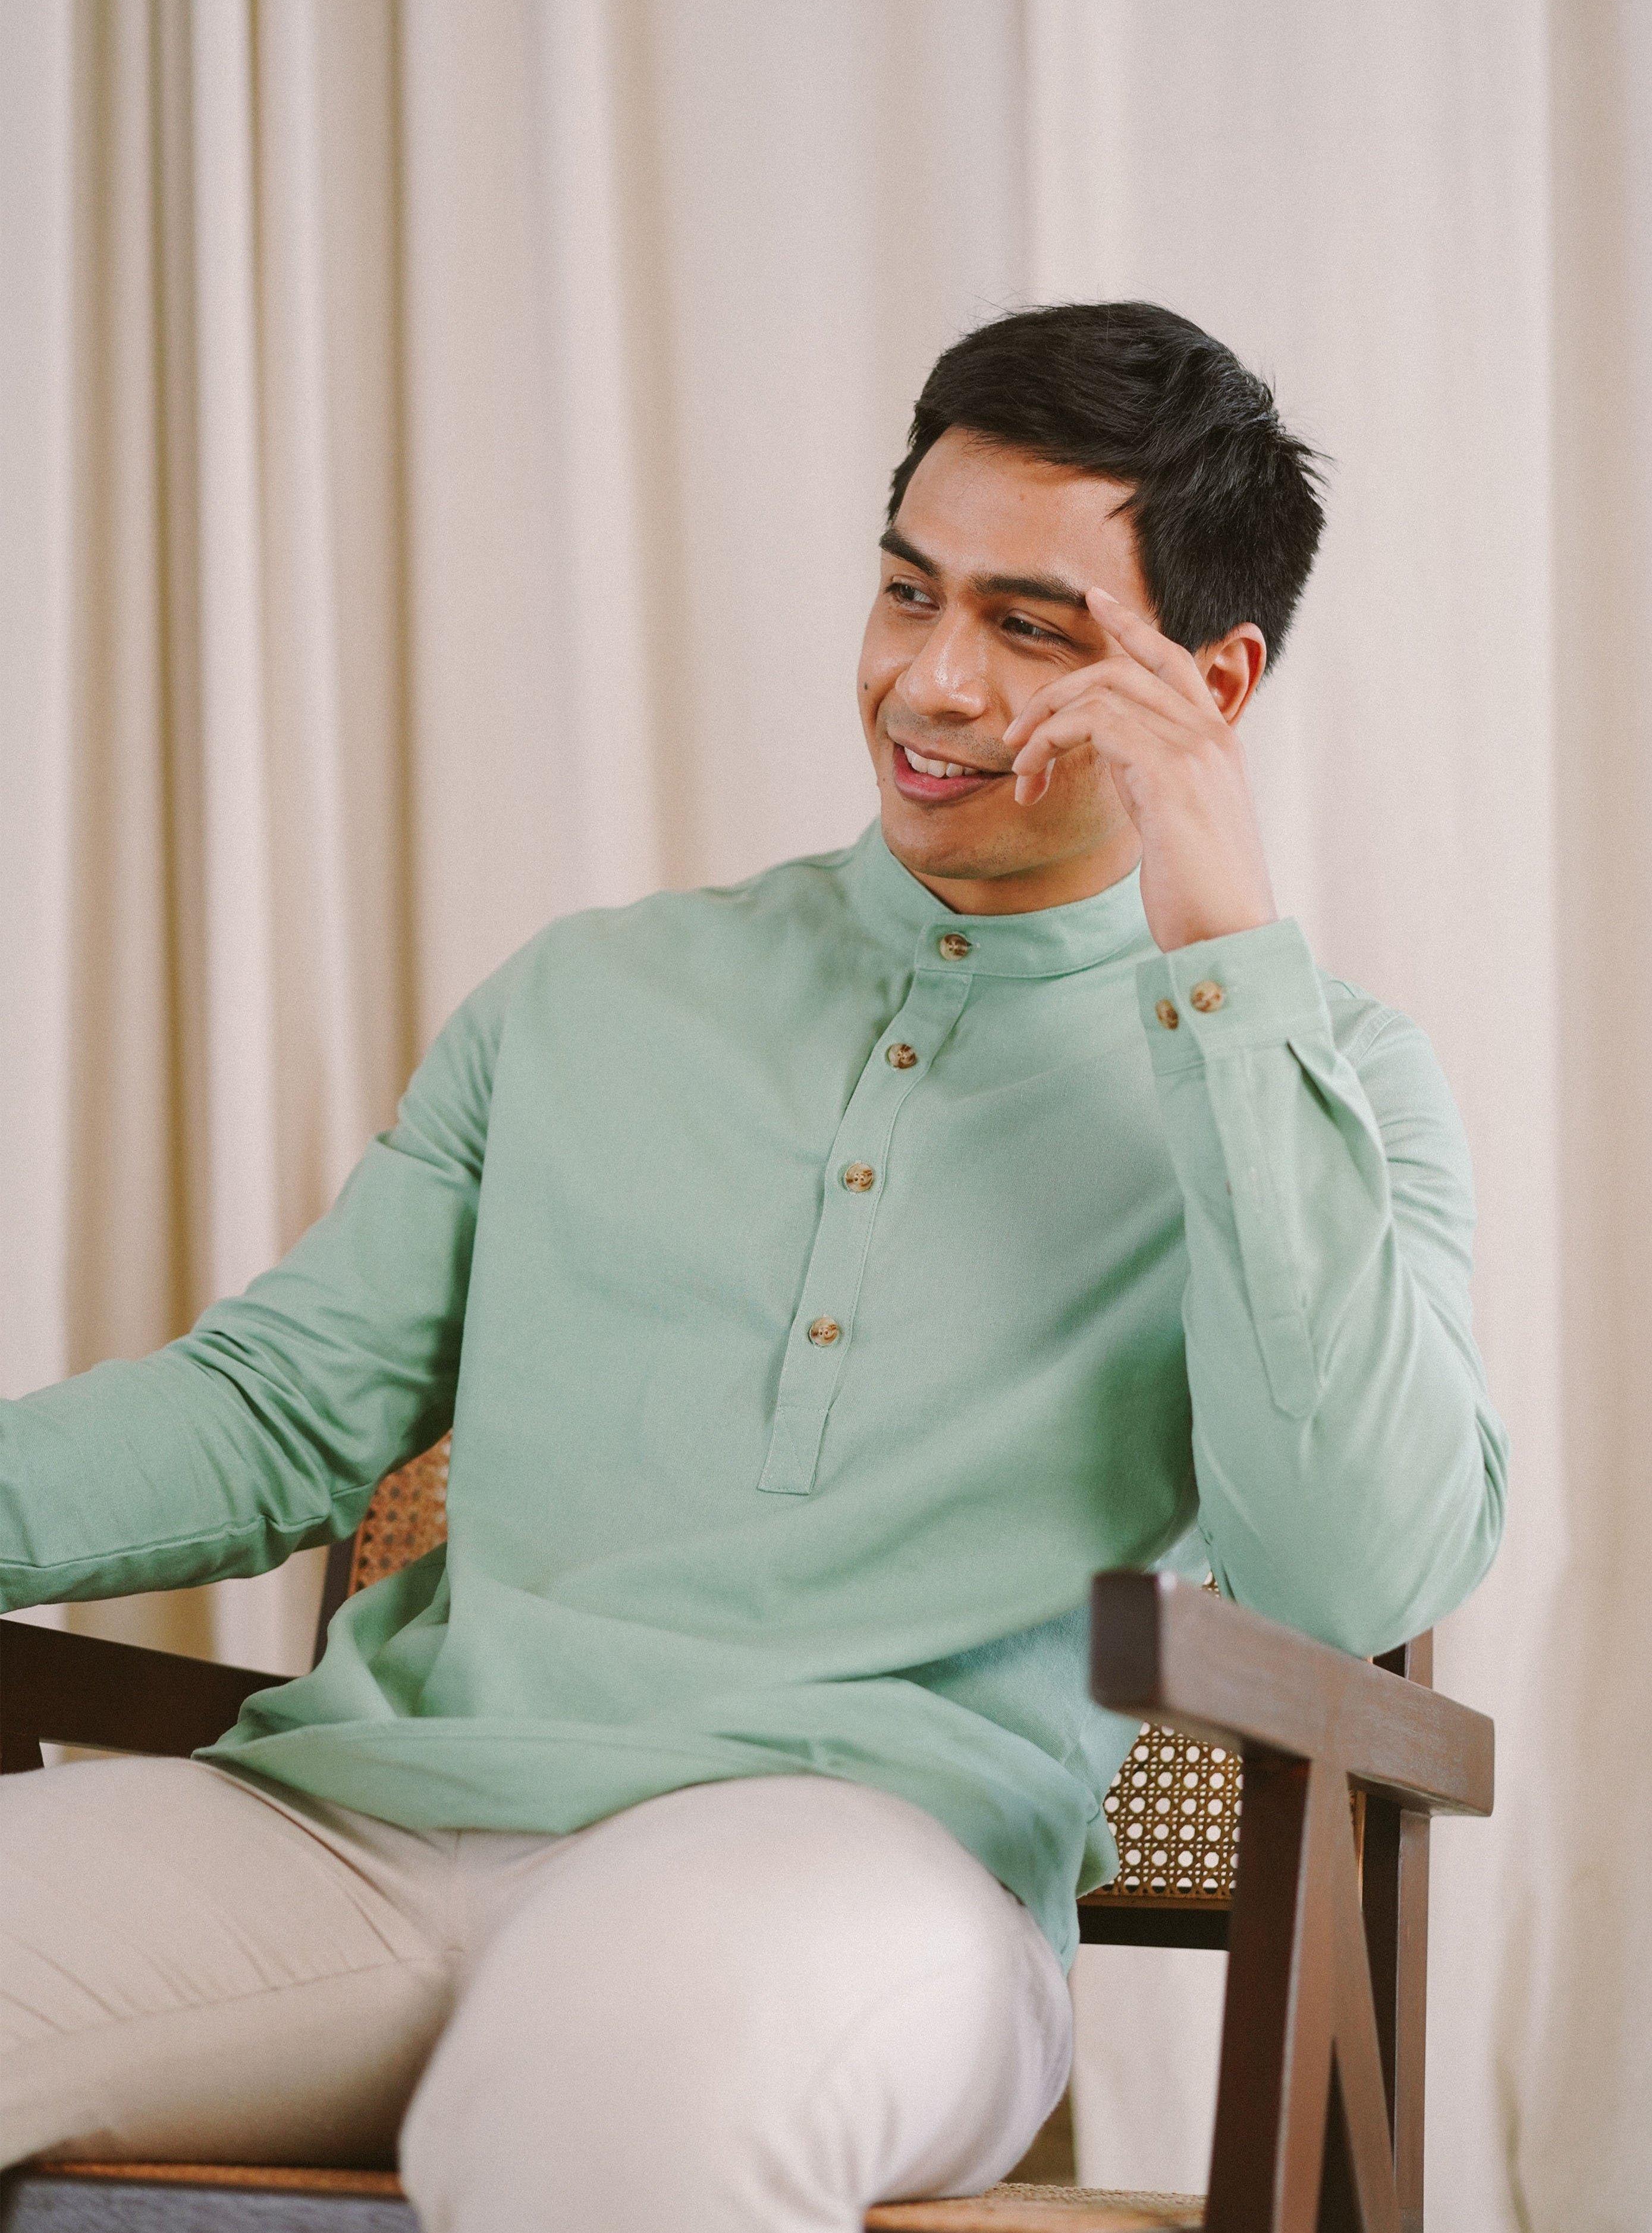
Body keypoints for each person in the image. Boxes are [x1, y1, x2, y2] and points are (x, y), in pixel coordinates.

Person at [0, 303, 1507, 2232]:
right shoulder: (589, 993)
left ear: (1209, 684)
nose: (929, 683)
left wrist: (1215, 950)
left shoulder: (1321, 1071)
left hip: (864, 1868)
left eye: (1028, 630)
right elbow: (277, 1410)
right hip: (362, 1828)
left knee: (604, 2088)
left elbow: (1349, 1570)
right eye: (905, 591)